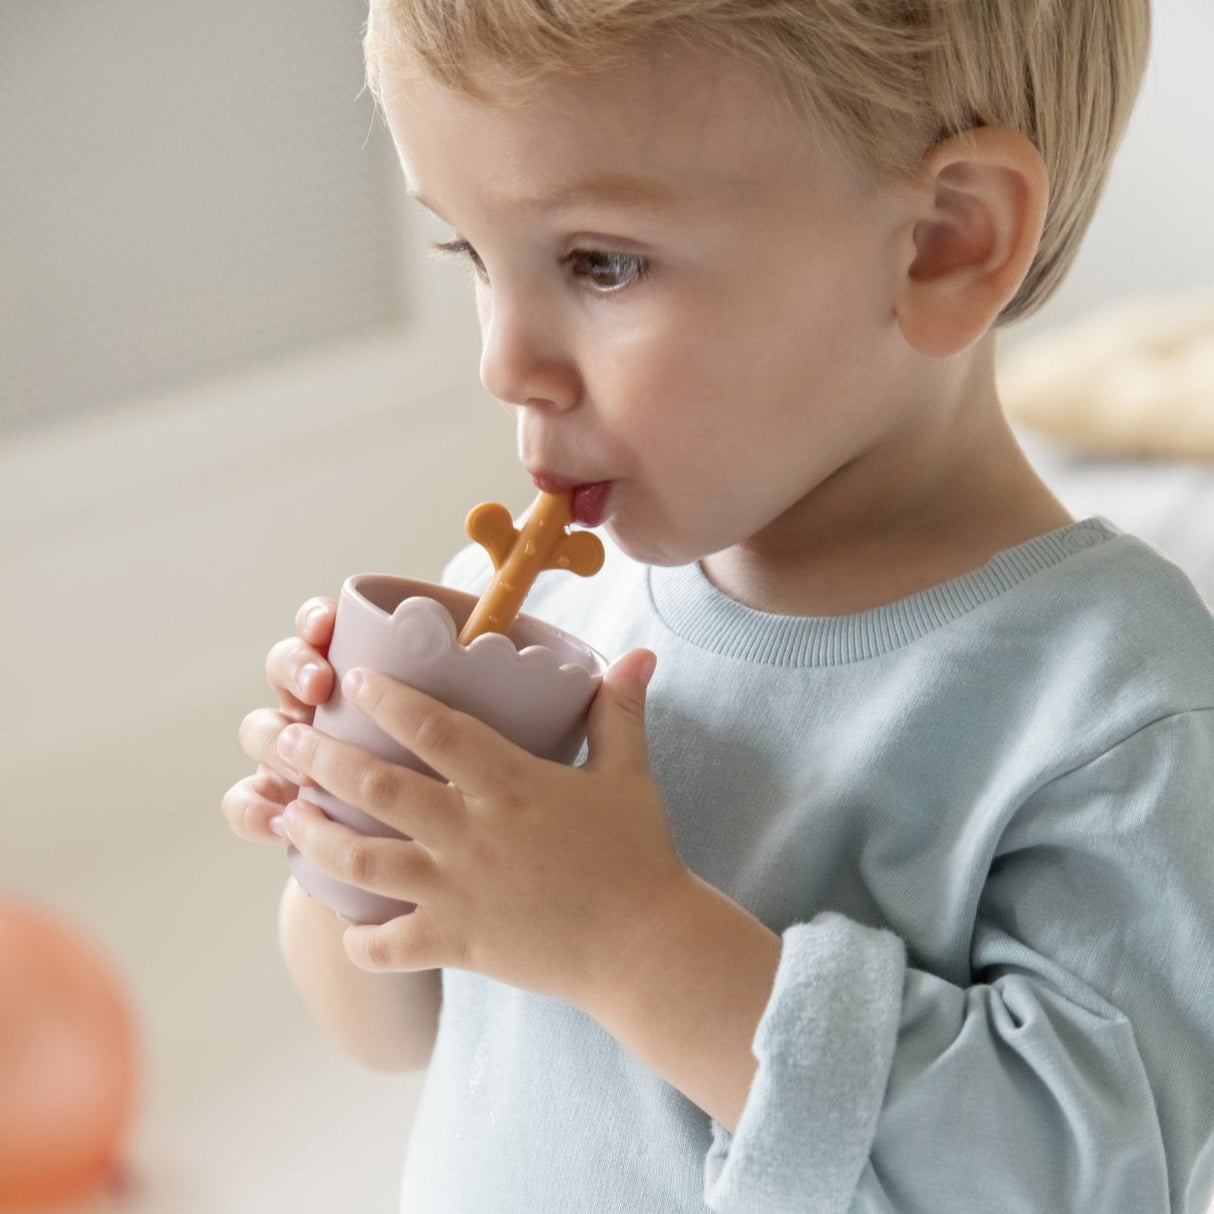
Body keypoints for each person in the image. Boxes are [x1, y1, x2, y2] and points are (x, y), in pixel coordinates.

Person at [222, 1, 1214, 1210]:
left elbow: (1084, 1179)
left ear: (942, 242)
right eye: (471, 255)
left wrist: (632, 937)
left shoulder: (1109, 702)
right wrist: (355, 838)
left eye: (600, 262)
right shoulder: (527, 626)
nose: (501, 361)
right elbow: (390, 1031)